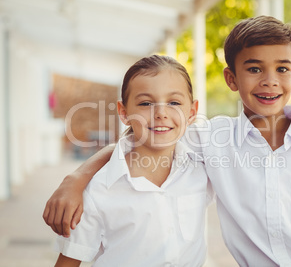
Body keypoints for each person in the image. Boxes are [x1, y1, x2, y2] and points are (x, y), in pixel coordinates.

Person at [42, 16, 291, 266]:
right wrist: (77, 177)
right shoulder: (213, 139)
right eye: (254, 68)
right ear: (231, 79)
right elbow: (142, 142)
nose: (270, 80)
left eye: (282, 69)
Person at [53, 55, 213, 266]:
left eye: (174, 102)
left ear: (191, 112)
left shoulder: (204, 166)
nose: (161, 113)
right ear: (124, 112)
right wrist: (77, 178)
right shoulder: (98, 191)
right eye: (146, 103)